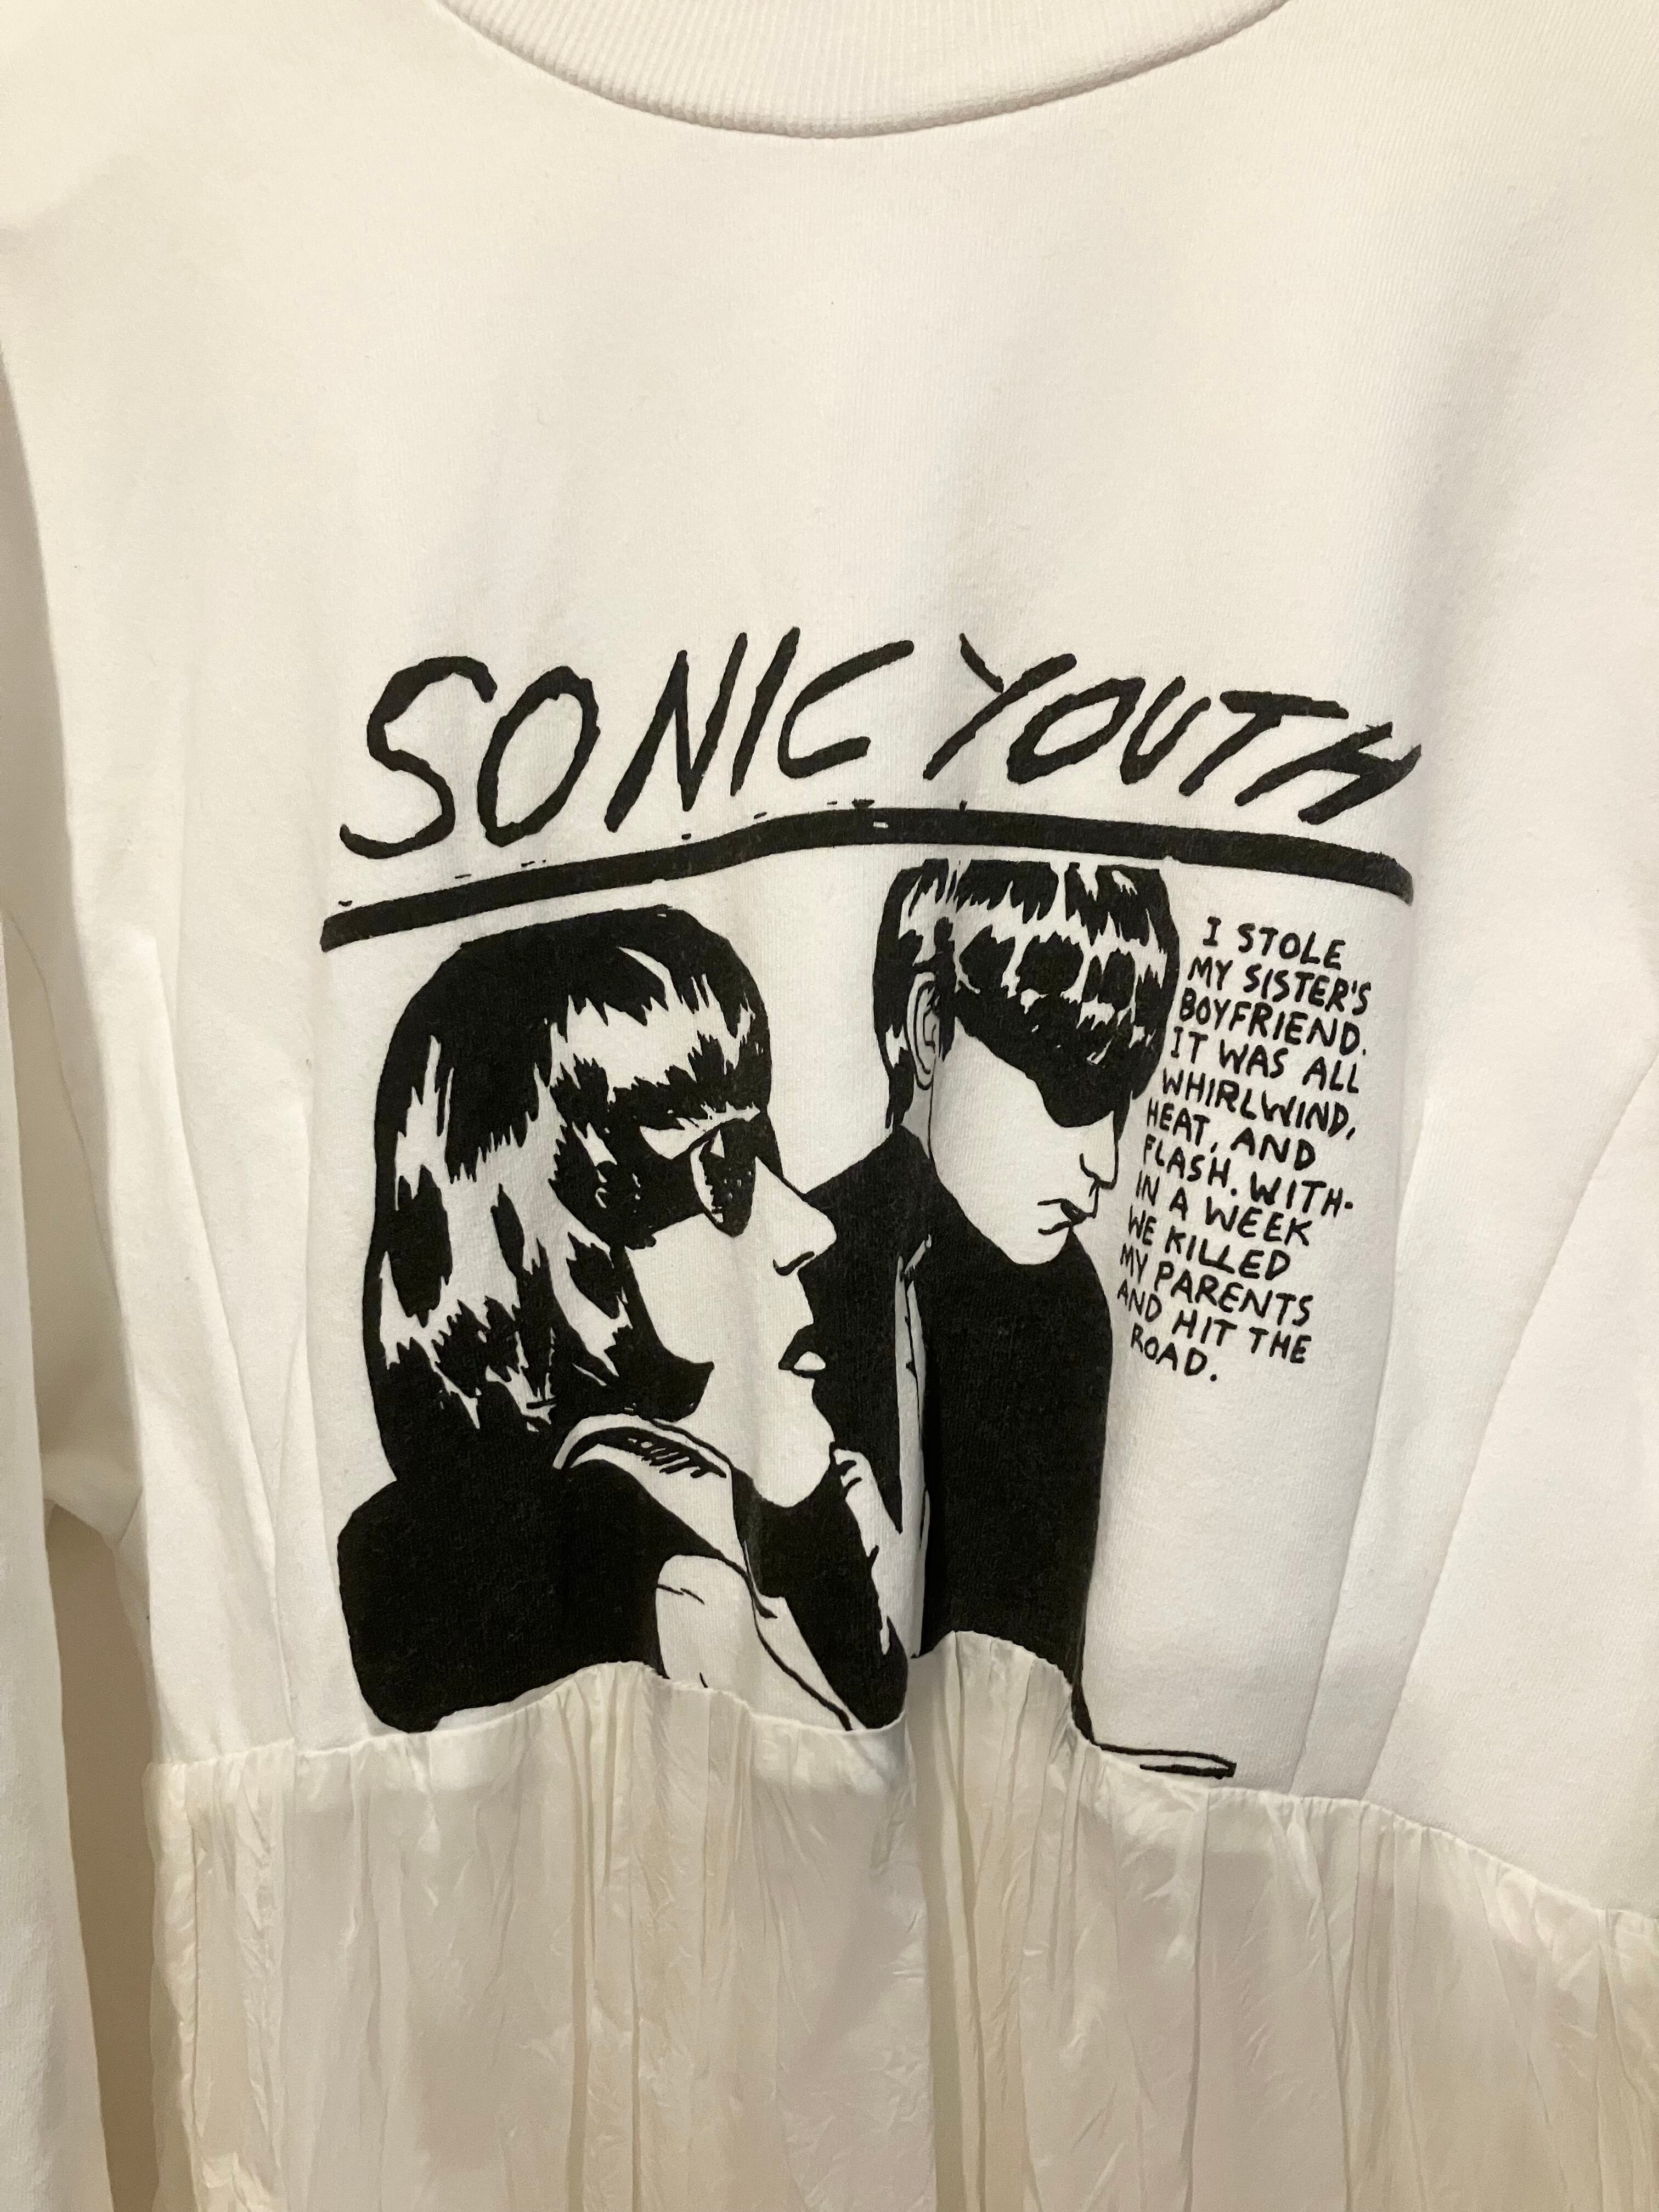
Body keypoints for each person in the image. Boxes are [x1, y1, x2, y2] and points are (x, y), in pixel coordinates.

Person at [337, 905, 912, 1733]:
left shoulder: (791, 1539)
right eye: (725, 1168)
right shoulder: (649, 1598)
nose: (810, 1229)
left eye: (764, 1151)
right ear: (553, 1241)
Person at [809, 857, 1182, 1733]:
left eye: (1121, 1104)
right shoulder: (811, 1270)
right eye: (1072, 1093)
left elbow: (1044, 1670)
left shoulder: (1068, 1308)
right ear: (931, 1028)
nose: (1105, 1164)